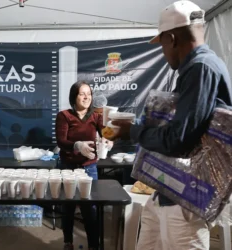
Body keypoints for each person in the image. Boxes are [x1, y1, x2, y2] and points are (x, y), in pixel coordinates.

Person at [111, 1, 232, 249]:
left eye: (162, 43)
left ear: (172, 38)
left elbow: (178, 140)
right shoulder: (196, 68)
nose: (163, 51)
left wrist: (131, 131)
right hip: (167, 193)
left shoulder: (201, 68)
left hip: (186, 200)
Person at [55, 81, 103, 250]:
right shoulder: (64, 115)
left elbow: (107, 133)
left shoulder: (96, 116)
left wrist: (108, 141)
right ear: (74, 97)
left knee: (89, 209)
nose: (86, 97)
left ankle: (93, 246)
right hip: (68, 168)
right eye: (82, 94)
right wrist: (77, 146)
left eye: (89, 94)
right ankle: (68, 242)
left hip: (89, 167)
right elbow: (61, 141)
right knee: (67, 207)